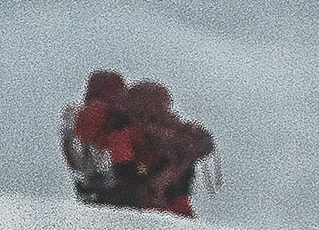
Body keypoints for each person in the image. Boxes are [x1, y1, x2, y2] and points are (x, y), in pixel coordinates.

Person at [62, 70, 215, 216]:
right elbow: (184, 174)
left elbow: (126, 169)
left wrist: (148, 171)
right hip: (175, 206)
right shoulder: (173, 133)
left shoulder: (120, 127)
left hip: (140, 206)